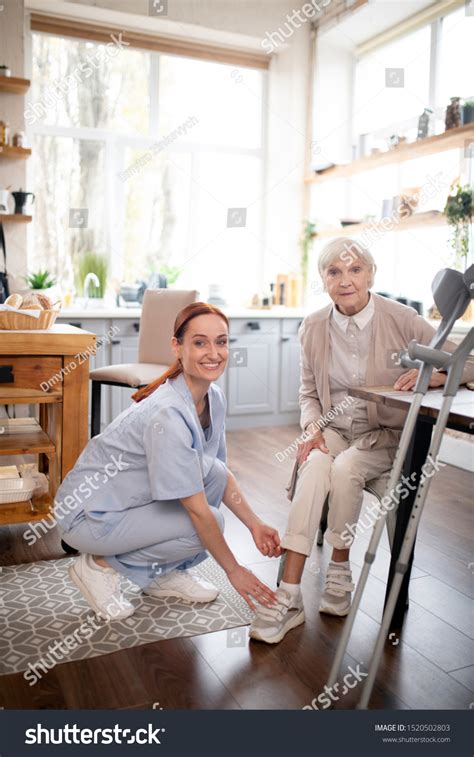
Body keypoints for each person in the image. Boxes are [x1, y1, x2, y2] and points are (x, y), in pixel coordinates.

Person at [249, 237, 474, 644]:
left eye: (354, 270)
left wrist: (440, 375)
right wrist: (312, 428)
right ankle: (289, 595)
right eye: (334, 272)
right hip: (334, 429)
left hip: (383, 436)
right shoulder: (313, 325)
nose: (345, 280)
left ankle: (339, 568)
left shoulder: (402, 319)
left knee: (346, 466)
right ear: (323, 279)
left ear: (371, 274)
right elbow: (307, 391)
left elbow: (469, 361)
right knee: (315, 464)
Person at [55, 302, 281, 621]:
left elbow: (220, 473)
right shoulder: (167, 415)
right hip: (87, 515)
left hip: (125, 502)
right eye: (199, 342)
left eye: (221, 341)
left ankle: (164, 573)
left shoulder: (213, 398)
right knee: (210, 522)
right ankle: (97, 568)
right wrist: (234, 570)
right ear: (177, 347)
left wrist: (255, 524)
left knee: (213, 474)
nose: (213, 352)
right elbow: (199, 512)